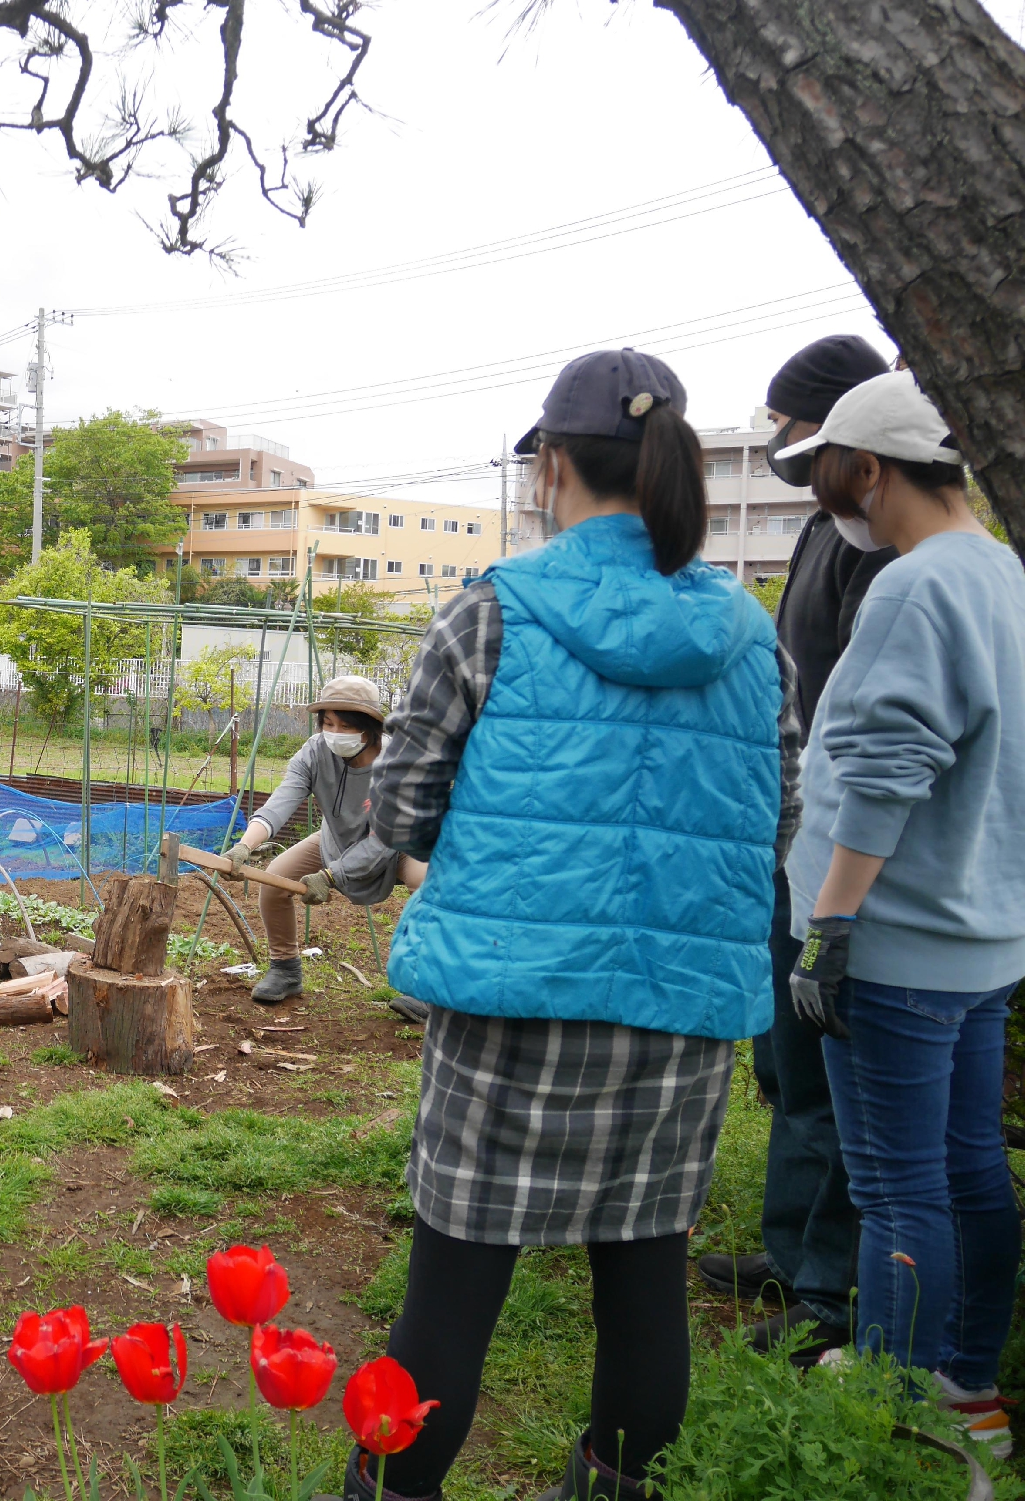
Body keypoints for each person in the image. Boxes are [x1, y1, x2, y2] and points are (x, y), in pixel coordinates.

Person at [348, 350, 803, 1501]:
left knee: (451, 1289)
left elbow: (397, 801)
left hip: (510, 1005)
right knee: (644, 1275)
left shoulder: (494, 610)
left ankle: (388, 1494)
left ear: (551, 464)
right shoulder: (750, 639)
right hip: (678, 1015)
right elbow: (780, 814)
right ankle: (610, 1485)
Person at [777, 370, 1025, 1458]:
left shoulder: (914, 585)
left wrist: (829, 928)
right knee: (969, 1164)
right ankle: (967, 1383)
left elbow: (883, 768)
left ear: (867, 468)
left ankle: (885, 1407)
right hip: (982, 935)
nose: (837, 503)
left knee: (893, 1186)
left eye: (834, 477)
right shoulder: (1005, 575)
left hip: (895, 937)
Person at [693, 334, 890, 1362]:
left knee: (821, 1066)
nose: (782, 447)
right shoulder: (821, 527)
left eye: (790, 428)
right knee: (780, 1057)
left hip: (839, 843)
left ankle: (827, 1288)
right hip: (798, 827)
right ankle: (789, 1248)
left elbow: (872, 729)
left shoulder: (877, 543)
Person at [214, 675, 425, 1005]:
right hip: (336, 838)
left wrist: (331, 876)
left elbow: (384, 837)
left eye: (345, 725)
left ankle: (424, 986)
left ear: (369, 726)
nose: (335, 734)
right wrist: (246, 844)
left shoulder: (398, 763)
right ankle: (285, 969)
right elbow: (283, 799)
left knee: (428, 886)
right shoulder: (315, 751)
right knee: (275, 881)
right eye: (328, 723)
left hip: (399, 843)